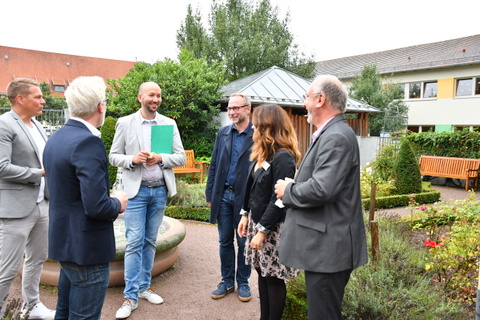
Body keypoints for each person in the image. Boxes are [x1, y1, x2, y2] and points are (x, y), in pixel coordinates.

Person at [274, 75, 368, 320]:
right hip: (327, 250)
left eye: (306, 97)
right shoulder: (333, 133)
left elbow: (323, 189)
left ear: (320, 99)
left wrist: (289, 191)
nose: (304, 104)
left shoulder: (336, 136)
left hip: (329, 253)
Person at [43, 76, 128, 319]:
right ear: (101, 106)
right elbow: (97, 206)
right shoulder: (88, 142)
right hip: (86, 249)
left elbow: (58, 191)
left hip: (64, 241)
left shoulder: (57, 138)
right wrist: (118, 203)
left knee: (64, 312)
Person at [109, 81, 186, 319]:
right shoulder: (125, 122)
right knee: (134, 243)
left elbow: (180, 157)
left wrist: (160, 157)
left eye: (159, 96)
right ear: (140, 96)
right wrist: (133, 159)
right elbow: (112, 156)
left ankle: (144, 288)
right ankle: (130, 296)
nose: (156, 99)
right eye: (152, 95)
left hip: (159, 190)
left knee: (150, 241)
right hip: (136, 192)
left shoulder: (168, 123)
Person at [237, 104, 301, 320]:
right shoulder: (263, 154)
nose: (253, 130)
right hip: (258, 223)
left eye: (256, 127)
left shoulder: (283, 157)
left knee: (273, 278)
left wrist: (263, 230)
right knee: (262, 274)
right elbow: (253, 189)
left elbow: (280, 200)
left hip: (272, 228)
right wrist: (245, 214)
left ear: (268, 129)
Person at [0, 78, 55, 319]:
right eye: (38, 97)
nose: (43, 100)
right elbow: (1, 167)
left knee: (37, 259)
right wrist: (39, 173)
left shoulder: (38, 126)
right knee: (7, 270)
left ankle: (32, 306)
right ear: (20, 99)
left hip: (42, 203)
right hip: (15, 208)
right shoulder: (4, 125)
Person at [205, 93, 253, 302]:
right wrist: (210, 194)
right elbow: (214, 165)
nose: (232, 112)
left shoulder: (258, 134)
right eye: (230, 109)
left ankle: (243, 282)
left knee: (244, 242)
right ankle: (227, 281)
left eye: (236, 108)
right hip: (223, 195)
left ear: (248, 109)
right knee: (224, 240)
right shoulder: (223, 133)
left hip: (246, 198)